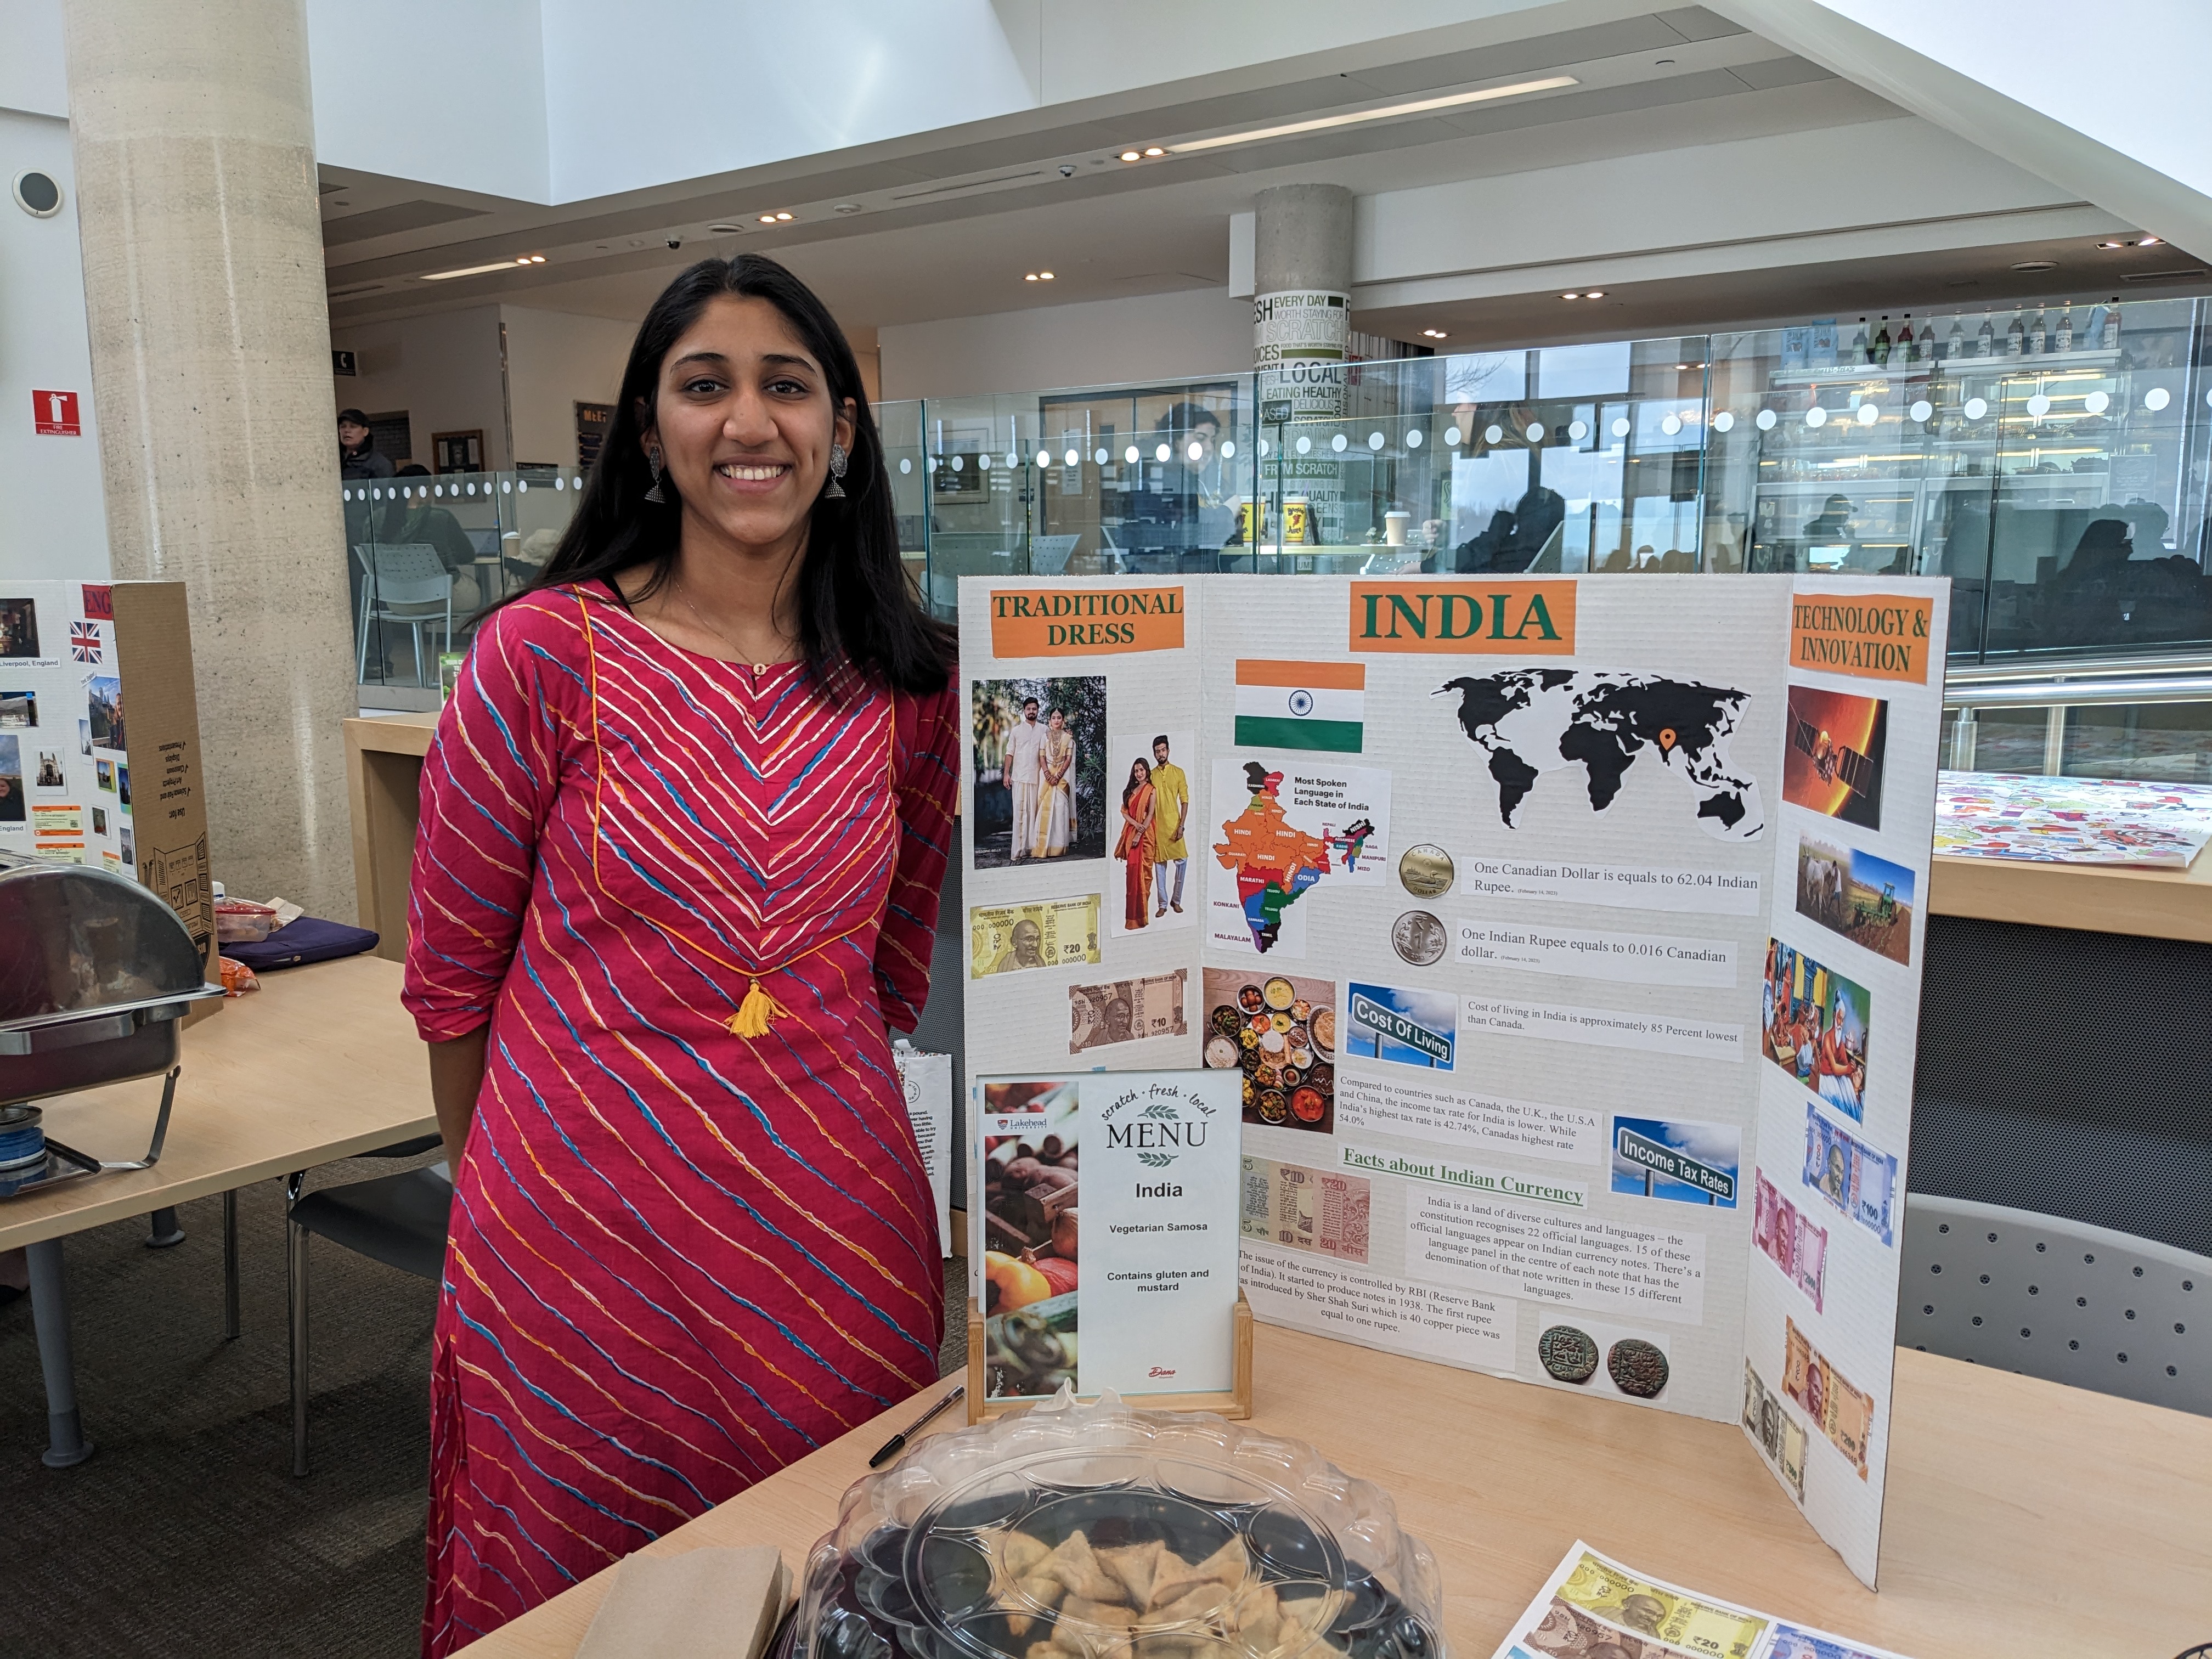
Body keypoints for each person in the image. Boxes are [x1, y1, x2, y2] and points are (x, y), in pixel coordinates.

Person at [400, 254, 957, 1657]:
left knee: (831, 1559)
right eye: (704, 386)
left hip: (835, 1221)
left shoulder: (910, 680)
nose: (748, 422)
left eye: (787, 385)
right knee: (585, 1590)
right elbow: (452, 975)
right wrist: (487, 1200)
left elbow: (898, 963)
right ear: (651, 435)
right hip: (580, 1225)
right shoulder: (541, 656)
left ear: (840, 430)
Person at [1148, 735, 1188, 916]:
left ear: (1168, 751)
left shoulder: (1178, 772)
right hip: (1158, 826)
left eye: (1163, 750)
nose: (1161, 754)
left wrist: (1181, 826)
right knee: (1160, 866)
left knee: (1182, 861)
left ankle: (1176, 900)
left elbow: (1185, 801)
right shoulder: (1151, 775)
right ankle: (1163, 905)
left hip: (1175, 825)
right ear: (1155, 754)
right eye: (1158, 751)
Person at [1116, 757, 1156, 929]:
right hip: (1132, 835)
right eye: (1136, 771)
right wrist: (1135, 825)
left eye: (1142, 770)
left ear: (1147, 771)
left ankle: (1142, 917)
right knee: (1132, 875)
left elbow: (1150, 815)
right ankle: (1131, 919)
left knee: (1144, 876)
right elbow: (1124, 812)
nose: (1139, 773)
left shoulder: (1151, 790)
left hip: (1145, 837)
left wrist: (1139, 834)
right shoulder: (1131, 791)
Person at [1032, 706, 1076, 857]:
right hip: (1047, 777)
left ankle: (1058, 848)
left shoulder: (1068, 737)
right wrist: (1047, 774)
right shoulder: (1045, 737)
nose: (1056, 720)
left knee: (1060, 810)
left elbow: (1069, 758)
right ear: (1050, 720)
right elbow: (1042, 757)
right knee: (1044, 809)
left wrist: (1058, 776)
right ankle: (1043, 847)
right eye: (1054, 718)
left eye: (1059, 718)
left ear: (1063, 720)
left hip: (1062, 780)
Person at [1005, 696, 1044, 860]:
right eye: (1028, 709)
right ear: (1024, 711)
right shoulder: (1016, 731)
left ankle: (1033, 849)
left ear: (1038, 710)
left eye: (1034, 709)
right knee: (1020, 814)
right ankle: (1018, 851)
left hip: (1038, 778)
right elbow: (1010, 753)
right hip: (1019, 777)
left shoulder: (1045, 730)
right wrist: (1006, 774)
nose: (1031, 712)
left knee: (1035, 813)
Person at [337, 408, 394, 481]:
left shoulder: (379, 464)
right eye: (343, 427)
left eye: (353, 426)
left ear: (365, 431)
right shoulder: (331, 459)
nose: (347, 431)